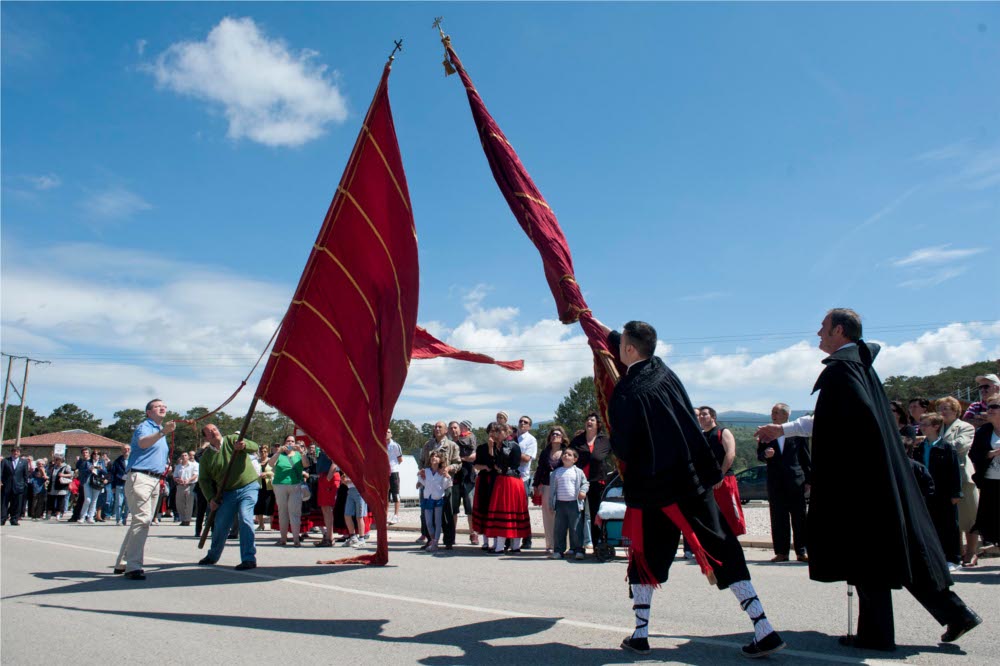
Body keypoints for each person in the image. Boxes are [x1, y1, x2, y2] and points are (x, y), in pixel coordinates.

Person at [755, 309, 981, 650]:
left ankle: (876, 634)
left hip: (862, 483)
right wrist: (785, 429)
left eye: (823, 328)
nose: (818, 334)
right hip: (879, 477)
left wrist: (787, 432)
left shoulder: (843, 370)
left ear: (840, 331)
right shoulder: (858, 367)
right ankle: (956, 614)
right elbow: (835, 419)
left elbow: (839, 425)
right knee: (901, 551)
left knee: (868, 554)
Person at [594, 319, 783, 658]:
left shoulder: (628, 391)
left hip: (656, 489)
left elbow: (625, 445)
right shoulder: (663, 369)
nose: (617, 344)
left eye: (621, 342)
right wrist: (589, 319)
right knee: (723, 547)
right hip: (693, 480)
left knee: (646, 557)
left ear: (630, 349)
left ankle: (640, 634)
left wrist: (608, 445)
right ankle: (763, 626)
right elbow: (621, 340)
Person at [114, 399, 175, 580]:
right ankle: (133, 566)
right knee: (142, 519)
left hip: (155, 479)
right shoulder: (146, 427)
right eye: (157, 406)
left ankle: (123, 562)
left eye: (164, 405)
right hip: (141, 477)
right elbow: (142, 443)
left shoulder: (159, 431)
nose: (162, 408)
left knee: (140, 522)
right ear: (148, 412)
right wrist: (163, 432)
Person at [197, 423, 260, 570]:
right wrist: (211, 498)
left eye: (214, 429)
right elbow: (204, 480)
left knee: (245, 517)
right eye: (209, 432)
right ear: (206, 437)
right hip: (227, 492)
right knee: (221, 524)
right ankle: (213, 555)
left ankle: (249, 558)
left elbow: (254, 446)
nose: (213, 432)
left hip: (248, 486)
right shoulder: (207, 457)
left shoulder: (233, 439)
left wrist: (244, 446)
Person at [757, 402, 811, 563]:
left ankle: (802, 551)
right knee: (778, 516)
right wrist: (765, 454)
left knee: (799, 516)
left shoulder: (798, 432)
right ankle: (781, 552)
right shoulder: (765, 433)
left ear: (786, 415)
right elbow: (759, 454)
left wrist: (809, 480)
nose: (773, 415)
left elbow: (805, 457)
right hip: (775, 480)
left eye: (776, 412)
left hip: (795, 480)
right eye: (772, 412)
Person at [913, 413, 963, 570]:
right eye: (921, 424)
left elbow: (955, 472)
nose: (922, 427)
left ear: (935, 426)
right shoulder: (920, 447)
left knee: (949, 525)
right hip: (927, 492)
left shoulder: (947, 447)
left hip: (945, 492)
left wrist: (956, 493)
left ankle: (953, 559)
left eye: (926, 424)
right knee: (931, 525)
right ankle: (936, 558)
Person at [935, 396, 978, 567]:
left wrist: (936, 443)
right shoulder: (938, 427)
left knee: (969, 516)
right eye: (941, 408)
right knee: (952, 519)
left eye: (947, 408)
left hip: (962, 475)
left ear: (956, 410)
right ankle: (958, 552)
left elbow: (961, 446)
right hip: (943, 478)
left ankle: (972, 552)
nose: (943, 412)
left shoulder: (965, 426)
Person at [697, 406, 747, 537]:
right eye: (700, 415)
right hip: (707, 481)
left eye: (704, 414)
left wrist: (720, 475)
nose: (701, 417)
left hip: (724, 479)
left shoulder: (723, 432)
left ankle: (733, 543)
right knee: (711, 513)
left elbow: (730, 454)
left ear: (713, 417)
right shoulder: (701, 436)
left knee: (729, 511)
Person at [483, 423, 530, 553]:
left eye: (498, 432)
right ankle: (512, 546)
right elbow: (494, 463)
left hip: (508, 480)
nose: (496, 434)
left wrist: (497, 461)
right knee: (510, 511)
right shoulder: (505, 445)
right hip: (507, 480)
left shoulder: (509, 445)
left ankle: (503, 546)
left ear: (505, 432)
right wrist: (492, 449)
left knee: (506, 510)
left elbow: (501, 464)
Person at [568, 412, 613, 552]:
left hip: (597, 482)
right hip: (579, 482)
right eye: (587, 419)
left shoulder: (605, 440)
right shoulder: (577, 441)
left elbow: (616, 456)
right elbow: (568, 455)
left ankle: (597, 545)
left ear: (598, 424)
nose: (589, 421)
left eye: (592, 420)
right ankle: (577, 546)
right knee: (577, 515)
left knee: (596, 514)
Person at [419, 422, 461, 549]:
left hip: (444, 483)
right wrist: (422, 471)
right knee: (427, 513)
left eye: (440, 427)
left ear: (446, 430)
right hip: (429, 483)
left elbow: (458, 463)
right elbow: (421, 461)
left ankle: (448, 540)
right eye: (435, 427)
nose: (437, 429)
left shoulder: (452, 446)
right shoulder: (428, 444)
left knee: (447, 513)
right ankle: (430, 539)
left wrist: (448, 468)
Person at [968, 399, 1000, 559]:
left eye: (995, 407)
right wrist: (990, 454)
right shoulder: (984, 431)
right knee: (993, 521)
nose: (991, 410)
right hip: (991, 482)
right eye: (989, 407)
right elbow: (974, 454)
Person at [533, 426, 568, 554]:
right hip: (547, 485)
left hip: (563, 486)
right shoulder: (545, 452)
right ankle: (550, 544)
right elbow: (540, 469)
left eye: (558, 434)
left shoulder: (566, 452)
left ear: (562, 437)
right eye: (553, 434)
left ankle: (564, 544)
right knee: (548, 515)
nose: (555, 436)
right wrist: (536, 484)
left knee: (562, 515)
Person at [549, 447, 589, 560]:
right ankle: (558, 550)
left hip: (574, 504)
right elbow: (552, 490)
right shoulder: (556, 472)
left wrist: (583, 491)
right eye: (565, 454)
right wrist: (551, 504)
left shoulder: (578, 472)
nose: (566, 456)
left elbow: (585, 483)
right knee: (559, 529)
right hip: (560, 504)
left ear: (575, 459)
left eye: (569, 454)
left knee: (576, 528)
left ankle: (578, 550)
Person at [268, 435, 305, 547]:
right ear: (284, 443)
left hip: (295, 485)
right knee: (282, 512)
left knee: (295, 513)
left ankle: (296, 539)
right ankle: (283, 538)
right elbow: (270, 464)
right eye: (288, 441)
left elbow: (307, 464)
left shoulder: (298, 454)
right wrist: (278, 452)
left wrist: (302, 452)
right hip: (280, 485)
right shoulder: (280, 455)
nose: (290, 443)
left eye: (292, 441)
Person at [448, 420, 478, 543]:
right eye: (451, 428)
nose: (453, 430)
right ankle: (451, 534)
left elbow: (474, 456)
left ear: (460, 429)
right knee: (452, 508)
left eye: (455, 428)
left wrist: (461, 459)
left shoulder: (469, 439)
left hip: (468, 477)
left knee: (470, 508)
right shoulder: (447, 443)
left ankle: (473, 533)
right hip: (453, 478)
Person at [472, 424, 500, 552]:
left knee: (494, 509)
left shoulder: (500, 448)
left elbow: (496, 463)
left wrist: (491, 448)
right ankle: (485, 541)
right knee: (483, 508)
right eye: (491, 431)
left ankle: (496, 542)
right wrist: (484, 467)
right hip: (484, 480)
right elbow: (476, 465)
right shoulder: (481, 448)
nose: (492, 434)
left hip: (497, 480)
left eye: (495, 431)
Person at [419, 451, 453, 551]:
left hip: (438, 498)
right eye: (433, 456)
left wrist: (447, 476)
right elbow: (423, 482)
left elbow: (446, 485)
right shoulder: (426, 471)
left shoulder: (442, 472)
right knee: (429, 522)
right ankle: (433, 539)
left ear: (440, 460)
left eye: (437, 457)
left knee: (438, 522)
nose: (434, 458)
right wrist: (420, 478)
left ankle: (435, 542)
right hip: (427, 498)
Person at [516, 415, 538, 550]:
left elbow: (527, 458)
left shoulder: (531, 440)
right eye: (521, 421)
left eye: (526, 422)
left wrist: (512, 452)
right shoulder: (512, 437)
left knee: (523, 509)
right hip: (508, 477)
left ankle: (527, 539)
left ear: (529, 426)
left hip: (522, 478)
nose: (522, 424)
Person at [313, 445, 339, 547]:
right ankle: (328, 536)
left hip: (328, 477)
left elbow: (335, 461)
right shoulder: (322, 446)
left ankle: (330, 537)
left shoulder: (329, 445)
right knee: (325, 508)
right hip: (324, 476)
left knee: (327, 508)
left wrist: (329, 477)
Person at [1, 446, 31, 526]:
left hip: (19, 486)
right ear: (11, 452)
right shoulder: (5, 461)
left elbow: (25, 474)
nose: (15, 453)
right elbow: (1, 472)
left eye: (17, 452)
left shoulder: (24, 462)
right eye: (14, 451)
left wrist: (24, 484)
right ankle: (2, 519)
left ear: (20, 453)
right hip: (7, 485)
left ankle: (14, 519)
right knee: (4, 503)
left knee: (16, 504)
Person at [172, 451, 198, 526]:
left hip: (190, 485)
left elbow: (195, 475)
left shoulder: (193, 465)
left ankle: (187, 520)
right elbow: (174, 476)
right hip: (180, 486)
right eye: (182, 455)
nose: (184, 456)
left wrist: (188, 480)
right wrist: (178, 479)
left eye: (185, 455)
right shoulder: (178, 466)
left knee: (189, 504)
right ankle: (183, 518)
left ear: (188, 457)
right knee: (179, 503)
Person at [342, 473, 367, 547]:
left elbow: (362, 478)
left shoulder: (359, 464)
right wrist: (345, 481)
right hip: (350, 491)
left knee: (359, 516)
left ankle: (362, 539)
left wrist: (349, 480)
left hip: (360, 491)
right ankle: (353, 537)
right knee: (347, 515)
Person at [254, 445, 274, 532]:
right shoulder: (256, 461)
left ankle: (272, 525)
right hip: (258, 485)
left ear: (268, 452)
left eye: (265, 451)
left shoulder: (271, 461)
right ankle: (261, 525)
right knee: (259, 505)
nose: (263, 453)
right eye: (261, 451)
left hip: (269, 486)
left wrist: (267, 473)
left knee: (270, 505)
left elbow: (275, 472)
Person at [46, 454, 73, 519]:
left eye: (56, 459)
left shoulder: (66, 466)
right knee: (50, 500)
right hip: (52, 485)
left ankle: (58, 514)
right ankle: (49, 514)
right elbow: (49, 474)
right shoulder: (53, 466)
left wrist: (63, 475)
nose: (55, 461)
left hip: (61, 486)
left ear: (61, 460)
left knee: (60, 501)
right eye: (55, 459)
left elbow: (71, 474)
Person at [109, 445, 130, 525]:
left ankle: (125, 518)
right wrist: (113, 486)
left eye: (128, 449)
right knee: (119, 503)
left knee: (128, 504)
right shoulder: (117, 461)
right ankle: (118, 519)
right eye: (125, 449)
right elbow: (113, 474)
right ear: (122, 450)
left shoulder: (133, 460)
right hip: (119, 484)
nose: (126, 450)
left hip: (130, 484)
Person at [386, 429, 403, 525]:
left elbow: (400, 459)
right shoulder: (382, 445)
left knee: (395, 493)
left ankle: (396, 515)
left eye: (388, 432)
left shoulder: (395, 445)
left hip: (394, 471)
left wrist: (393, 466)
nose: (386, 433)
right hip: (384, 472)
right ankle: (386, 515)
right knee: (386, 495)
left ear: (391, 434)